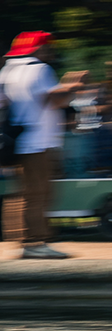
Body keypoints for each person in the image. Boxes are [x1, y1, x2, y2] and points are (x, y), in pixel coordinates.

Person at [0, 32, 87, 259]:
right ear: (39, 49)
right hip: (38, 142)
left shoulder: (7, 70)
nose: (52, 51)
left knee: (22, 193)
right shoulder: (40, 69)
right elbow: (54, 100)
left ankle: (21, 239)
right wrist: (73, 85)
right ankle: (35, 243)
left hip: (15, 141)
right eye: (49, 47)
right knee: (39, 193)